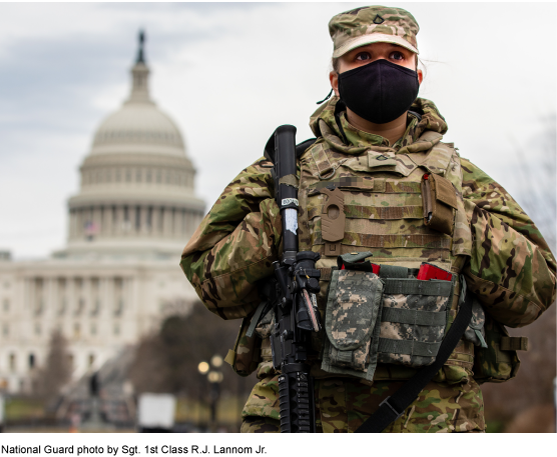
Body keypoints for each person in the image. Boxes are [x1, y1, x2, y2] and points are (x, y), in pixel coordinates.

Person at [180, 5, 556, 433]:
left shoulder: (461, 180)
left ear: (417, 74)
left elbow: (536, 292)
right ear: (335, 80)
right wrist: (279, 222)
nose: (380, 68)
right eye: (361, 57)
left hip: (435, 423)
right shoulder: (285, 177)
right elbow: (209, 284)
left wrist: (461, 223)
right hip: (304, 417)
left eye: (396, 56)